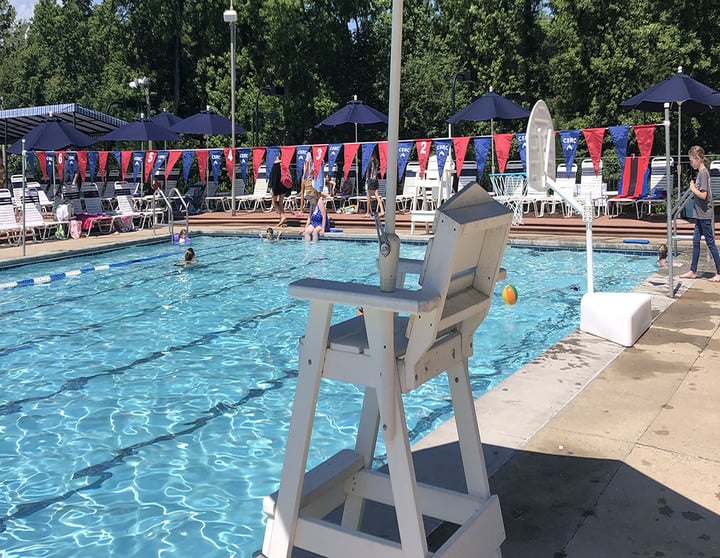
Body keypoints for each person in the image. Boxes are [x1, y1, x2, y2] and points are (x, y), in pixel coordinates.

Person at [679, 145, 720, 282]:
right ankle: (693, 270)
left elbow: (704, 195)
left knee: (710, 244)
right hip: (699, 215)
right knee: (696, 241)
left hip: (704, 215)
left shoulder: (703, 173)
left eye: (691, 161)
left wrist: (692, 189)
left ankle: (719, 273)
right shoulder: (702, 173)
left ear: (698, 159)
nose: (691, 163)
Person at [268, 153, 289, 227]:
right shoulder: (283, 164)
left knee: (273, 202)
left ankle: (282, 216)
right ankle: (282, 220)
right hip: (283, 185)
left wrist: (272, 187)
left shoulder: (274, 165)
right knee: (281, 203)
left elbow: (273, 178)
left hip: (276, 185)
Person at [364, 150, 384, 217]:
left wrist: (366, 179)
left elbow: (368, 172)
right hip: (375, 180)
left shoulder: (370, 162)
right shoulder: (377, 161)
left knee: (368, 196)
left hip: (370, 180)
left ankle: (367, 212)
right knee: (377, 196)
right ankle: (382, 210)